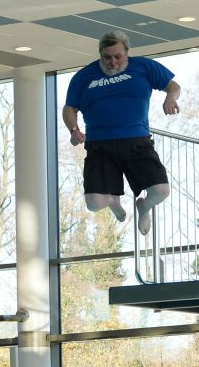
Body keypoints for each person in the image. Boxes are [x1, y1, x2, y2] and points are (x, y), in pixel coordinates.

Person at [62, 29, 180, 236]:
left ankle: (144, 207)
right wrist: (74, 129)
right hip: (100, 145)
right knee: (93, 204)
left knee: (161, 191)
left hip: (136, 141)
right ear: (100, 55)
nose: (113, 62)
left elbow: (173, 86)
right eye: (107, 58)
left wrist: (170, 98)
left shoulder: (143, 66)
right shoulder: (83, 77)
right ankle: (111, 200)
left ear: (127, 52)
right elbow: (69, 108)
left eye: (118, 56)